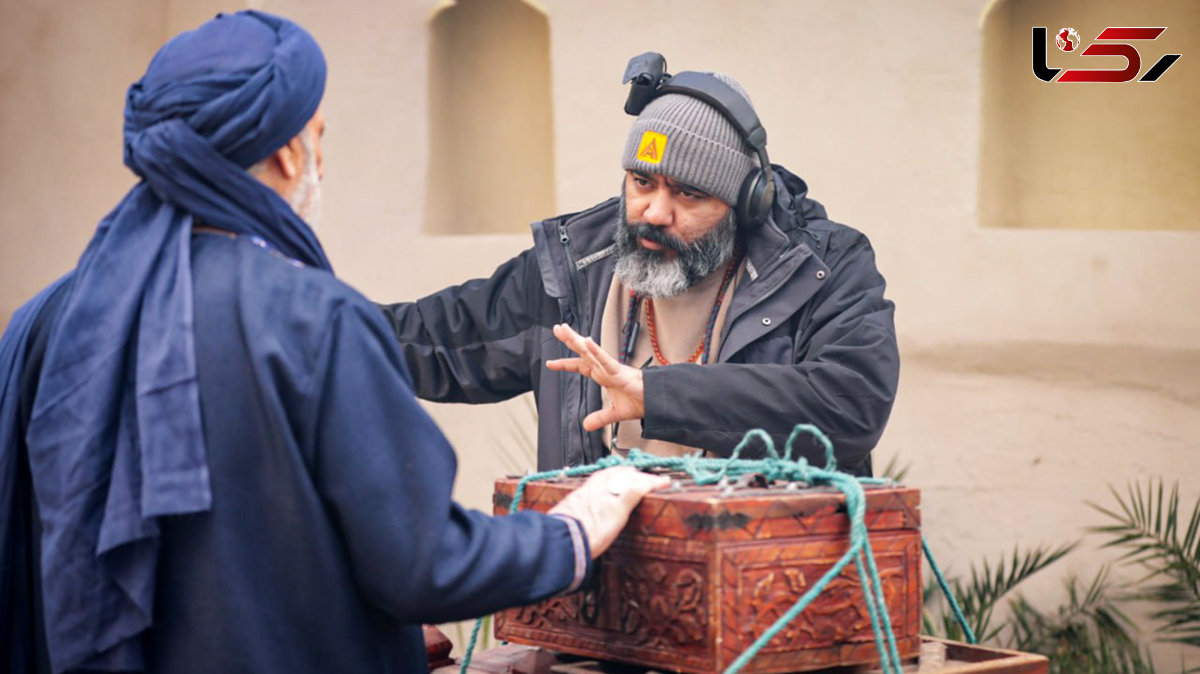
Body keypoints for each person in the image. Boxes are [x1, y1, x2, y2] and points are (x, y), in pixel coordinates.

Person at [0, 12, 667, 674]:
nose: (323, 155)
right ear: (291, 153)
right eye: (319, 134)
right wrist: (576, 527)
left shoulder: (49, 317)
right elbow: (427, 564)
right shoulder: (313, 321)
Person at [381, 54, 899, 476]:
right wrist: (314, 322)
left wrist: (656, 395)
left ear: (745, 205)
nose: (653, 212)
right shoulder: (577, 264)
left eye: (689, 193)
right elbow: (438, 340)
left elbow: (850, 405)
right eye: (642, 182)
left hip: (769, 585)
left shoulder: (824, 267)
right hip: (604, 588)